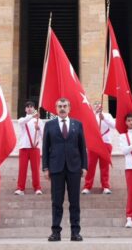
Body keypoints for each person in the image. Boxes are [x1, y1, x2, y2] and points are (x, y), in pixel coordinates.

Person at [43, 98, 87, 242]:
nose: (62, 108)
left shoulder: (77, 125)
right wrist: (45, 167)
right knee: (57, 202)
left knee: (75, 202)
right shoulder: (49, 125)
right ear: (56, 108)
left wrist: (84, 166)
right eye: (60, 106)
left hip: (74, 167)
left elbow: (82, 148)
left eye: (65, 106)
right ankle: (56, 232)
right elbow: (45, 147)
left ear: (69, 108)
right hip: (56, 168)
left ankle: (75, 232)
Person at [82, 101, 114, 195]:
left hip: (105, 143)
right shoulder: (90, 115)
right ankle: (87, 186)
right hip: (94, 144)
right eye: (95, 104)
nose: (97, 106)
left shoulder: (107, 115)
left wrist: (104, 119)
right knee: (91, 166)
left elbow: (114, 125)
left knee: (104, 166)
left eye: (99, 104)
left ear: (102, 106)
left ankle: (105, 186)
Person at [15, 101, 44, 195]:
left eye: (31, 106)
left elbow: (44, 135)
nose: (29, 108)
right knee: (22, 169)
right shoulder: (22, 119)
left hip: (34, 147)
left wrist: (39, 129)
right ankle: (20, 188)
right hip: (24, 147)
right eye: (27, 107)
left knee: (35, 169)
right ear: (25, 109)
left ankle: (37, 188)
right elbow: (22, 122)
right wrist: (32, 116)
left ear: (34, 108)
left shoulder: (40, 121)